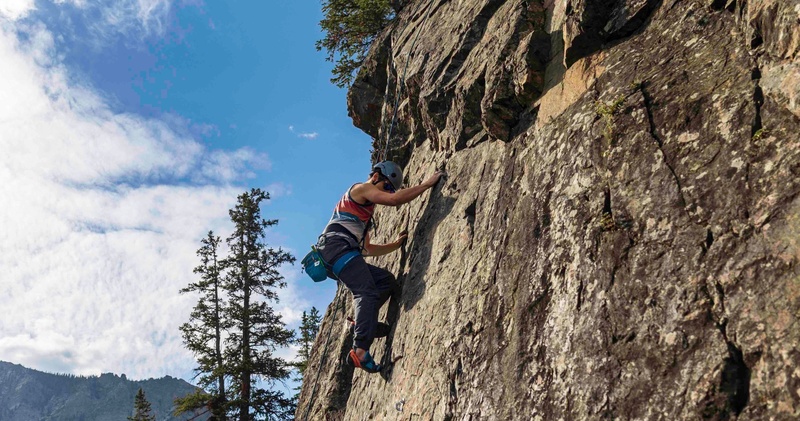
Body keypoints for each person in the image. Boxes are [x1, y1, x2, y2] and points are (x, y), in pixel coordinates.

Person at [316, 161, 445, 373]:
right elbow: (395, 201)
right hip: (336, 248)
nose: (388, 192)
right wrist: (427, 184)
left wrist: (395, 245)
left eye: (390, 189)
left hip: (339, 252)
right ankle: (360, 351)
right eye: (386, 187)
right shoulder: (360, 188)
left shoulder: (363, 214)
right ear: (376, 177)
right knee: (365, 292)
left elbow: (366, 249)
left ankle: (363, 323)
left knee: (385, 281)